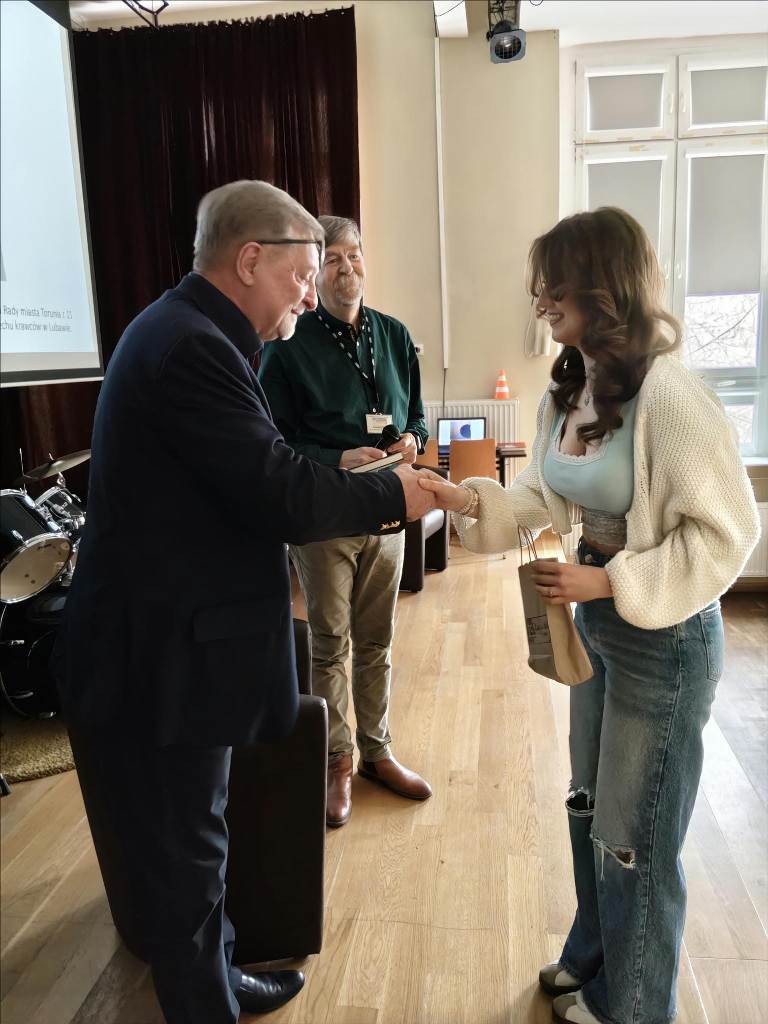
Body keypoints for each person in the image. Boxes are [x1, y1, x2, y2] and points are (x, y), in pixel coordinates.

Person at [55, 181, 436, 1024]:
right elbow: (278, 490)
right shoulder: (192, 348)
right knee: (189, 850)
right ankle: (207, 1004)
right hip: (163, 650)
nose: (310, 293)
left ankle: (222, 976)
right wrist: (396, 494)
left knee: (204, 834)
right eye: (304, 273)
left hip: (179, 635)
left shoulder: (194, 333)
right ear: (251, 259)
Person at [417, 208, 760, 1024]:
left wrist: (608, 583)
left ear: (603, 287)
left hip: (665, 640)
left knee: (635, 835)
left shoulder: (673, 399)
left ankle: (631, 1008)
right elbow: (540, 495)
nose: (540, 300)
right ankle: (594, 958)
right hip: (600, 626)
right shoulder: (568, 387)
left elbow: (727, 534)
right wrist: (462, 499)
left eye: (554, 284)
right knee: (591, 807)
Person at [259, 215, 432, 829]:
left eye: (354, 255)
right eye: (332, 258)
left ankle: (377, 752)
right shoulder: (287, 344)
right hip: (325, 512)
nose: (346, 268)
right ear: (314, 271)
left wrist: (411, 439)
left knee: (377, 639)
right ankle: (336, 760)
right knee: (330, 643)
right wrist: (337, 458)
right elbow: (273, 442)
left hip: (388, 506)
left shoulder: (394, 334)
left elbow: (417, 414)